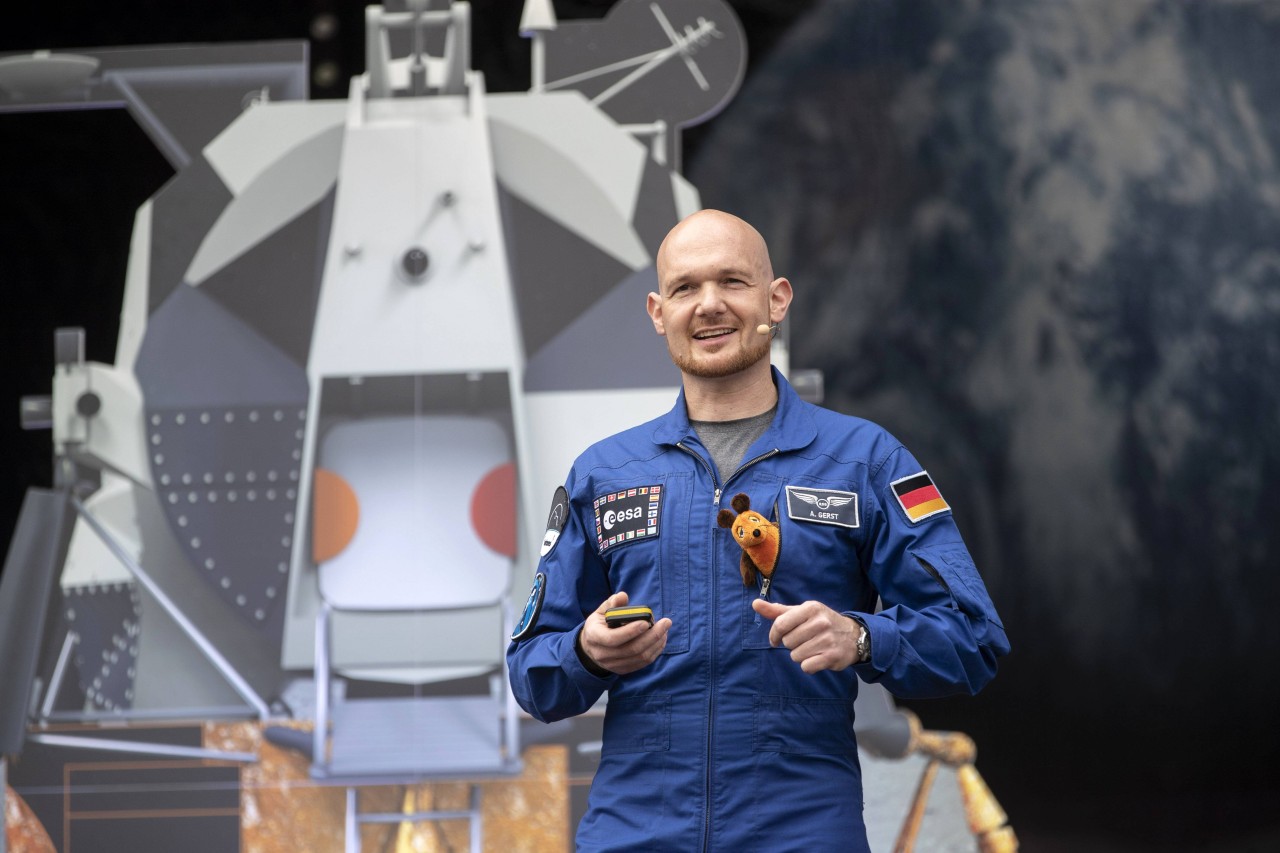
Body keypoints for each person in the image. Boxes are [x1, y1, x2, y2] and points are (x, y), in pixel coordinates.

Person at [506, 209, 1009, 851]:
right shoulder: (603, 473)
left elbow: (972, 638)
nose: (709, 305)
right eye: (686, 288)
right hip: (635, 833)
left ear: (777, 299)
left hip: (801, 833)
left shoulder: (865, 460)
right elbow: (531, 673)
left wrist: (861, 636)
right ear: (659, 314)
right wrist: (582, 651)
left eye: (733, 282)